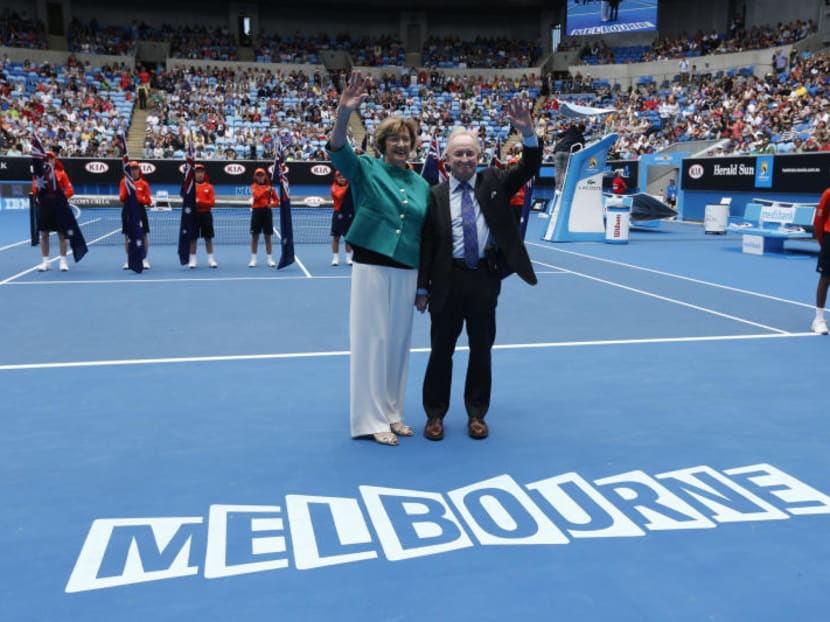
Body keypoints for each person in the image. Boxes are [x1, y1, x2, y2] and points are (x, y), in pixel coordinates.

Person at [416, 98, 542, 441]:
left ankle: (476, 414)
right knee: (441, 352)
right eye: (458, 154)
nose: (465, 159)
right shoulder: (434, 195)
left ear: (479, 157)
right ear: (447, 160)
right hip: (446, 281)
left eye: (470, 153)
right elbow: (427, 243)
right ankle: (435, 416)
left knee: (481, 351)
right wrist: (422, 288)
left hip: (485, 279)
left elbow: (530, 166)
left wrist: (527, 131)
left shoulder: (495, 182)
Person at [327, 70, 430, 446]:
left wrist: (424, 285)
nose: (401, 145)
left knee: (398, 344)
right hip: (371, 266)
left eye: (407, 139)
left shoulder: (421, 184)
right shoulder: (366, 170)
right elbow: (338, 148)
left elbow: (424, 234)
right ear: (383, 143)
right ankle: (370, 420)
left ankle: (392, 412)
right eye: (395, 139)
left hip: (407, 269)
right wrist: (344, 111)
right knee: (372, 342)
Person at [35, 151, 74, 272]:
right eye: (46, 158)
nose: (48, 160)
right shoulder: (38, 175)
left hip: (59, 208)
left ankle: (63, 261)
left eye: (50, 158)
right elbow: (35, 188)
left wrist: (60, 198)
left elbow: (70, 190)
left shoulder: (61, 174)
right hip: (45, 208)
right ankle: (45, 262)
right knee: (44, 235)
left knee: (62, 235)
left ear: (54, 160)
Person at [119, 161, 152, 270]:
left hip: (140, 211)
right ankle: (130, 260)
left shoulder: (144, 184)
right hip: (127, 210)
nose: (134, 171)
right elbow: (122, 198)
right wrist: (127, 189)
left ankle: (144, 259)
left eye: (136, 169)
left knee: (143, 235)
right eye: (132, 169)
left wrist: (137, 198)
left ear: (139, 170)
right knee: (128, 236)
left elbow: (148, 200)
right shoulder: (124, 182)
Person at [189, 163, 218, 268]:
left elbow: (212, 203)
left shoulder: (209, 187)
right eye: (197, 172)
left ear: (204, 173)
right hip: (194, 215)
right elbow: (187, 202)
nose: (199, 174)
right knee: (193, 238)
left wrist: (200, 202)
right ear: (194, 174)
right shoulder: (190, 187)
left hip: (206, 214)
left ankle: (211, 260)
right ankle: (193, 260)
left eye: (201, 172)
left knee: (208, 238)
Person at [249, 167, 279, 268]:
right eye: (258, 175)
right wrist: (266, 190)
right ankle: (253, 260)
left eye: (262, 175)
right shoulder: (253, 186)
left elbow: (276, 201)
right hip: (256, 212)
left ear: (265, 176)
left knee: (268, 237)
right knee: (255, 237)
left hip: (267, 212)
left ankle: (270, 259)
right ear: (255, 177)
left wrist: (271, 205)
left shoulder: (270, 188)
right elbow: (257, 196)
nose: (260, 177)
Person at [811, 188, 830, 334]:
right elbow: (819, 220)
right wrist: (823, 241)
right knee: (826, 278)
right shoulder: (828, 193)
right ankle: (818, 320)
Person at [329, 170, 354, 266]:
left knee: (348, 238)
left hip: (350, 214)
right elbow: (340, 195)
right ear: (336, 178)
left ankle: (348, 258)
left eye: (344, 177)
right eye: (340, 177)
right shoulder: (334, 188)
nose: (342, 179)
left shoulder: (351, 186)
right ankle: (335, 258)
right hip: (338, 214)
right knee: (336, 237)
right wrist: (350, 185)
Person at [553, 122, 585, 192]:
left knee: (558, 171)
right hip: (567, 152)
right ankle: (560, 188)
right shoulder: (581, 138)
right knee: (563, 171)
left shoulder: (572, 130)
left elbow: (559, 135)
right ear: (583, 131)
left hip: (558, 151)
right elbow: (580, 149)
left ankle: (556, 188)